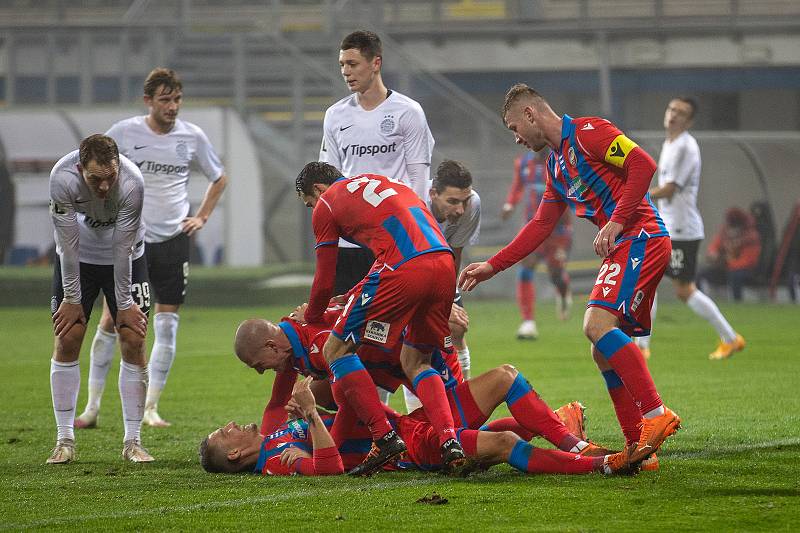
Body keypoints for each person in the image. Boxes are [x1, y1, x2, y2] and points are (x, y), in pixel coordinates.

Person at [459, 84, 681, 467]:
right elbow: (540, 225)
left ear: (530, 115)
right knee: (602, 350)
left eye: (515, 127)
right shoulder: (556, 166)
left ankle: (655, 415)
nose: (516, 138)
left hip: (640, 238)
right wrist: (492, 265)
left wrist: (615, 221)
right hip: (625, 245)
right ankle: (639, 450)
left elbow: (643, 164)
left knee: (595, 324)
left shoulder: (589, 132)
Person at [76, 68, 228, 429]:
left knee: (168, 324)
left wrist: (202, 217)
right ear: (148, 101)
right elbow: (89, 167)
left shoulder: (192, 136)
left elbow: (219, 177)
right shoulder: (124, 132)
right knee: (114, 319)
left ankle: (150, 408)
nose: (172, 107)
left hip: (173, 241)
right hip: (131, 240)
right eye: (165, 100)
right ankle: (92, 408)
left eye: (177, 99)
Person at [233, 311, 604, 459]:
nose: (259, 372)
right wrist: (269, 444)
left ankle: (574, 445)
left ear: (269, 346)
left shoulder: (317, 340)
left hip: (422, 361)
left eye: (256, 365)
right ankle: (564, 432)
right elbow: (276, 407)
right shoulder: (294, 349)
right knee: (487, 434)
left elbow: (330, 460)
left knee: (483, 400)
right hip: (407, 410)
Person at [296, 161, 465, 475]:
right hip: (443, 264)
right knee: (416, 361)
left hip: (404, 269)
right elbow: (393, 243)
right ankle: (450, 440)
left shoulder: (328, 202)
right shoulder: (384, 181)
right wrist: (354, 294)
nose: (313, 210)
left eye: (310, 203)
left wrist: (313, 317)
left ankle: (384, 437)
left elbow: (324, 277)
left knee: (337, 350)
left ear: (318, 189)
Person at [199, 377, 639, 476]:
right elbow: (330, 469)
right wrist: (314, 414)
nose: (232, 425)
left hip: (409, 422)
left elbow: (282, 380)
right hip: (412, 448)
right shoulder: (275, 463)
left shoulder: (275, 430)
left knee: (505, 376)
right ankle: (599, 465)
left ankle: (571, 440)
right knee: (503, 439)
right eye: (225, 432)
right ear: (234, 454)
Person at [46, 134, 153, 464]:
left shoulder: (133, 183)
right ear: (80, 169)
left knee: (134, 338)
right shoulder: (61, 179)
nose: (105, 187)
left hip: (128, 258)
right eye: (95, 179)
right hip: (79, 259)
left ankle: (133, 442)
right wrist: (72, 298)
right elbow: (67, 245)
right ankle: (64, 440)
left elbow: (123, 249)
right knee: (69, 336)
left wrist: (123, 305)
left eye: (111, 178)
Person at [319, 30, 435, 295]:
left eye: (353, 64)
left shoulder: (408, 112)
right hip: (349, 242)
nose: (346, 71)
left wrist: (416, 234)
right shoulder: (335, 115)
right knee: (343, 327)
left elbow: (418, 178)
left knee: (390, 328)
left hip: (393, 238)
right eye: (342, 65)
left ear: (376, 63)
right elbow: (329, 181)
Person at [641, 97, 745, 361]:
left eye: (681, 112)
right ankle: (641, 347)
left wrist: (638, 196)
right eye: (671, 109)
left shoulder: (686, 147)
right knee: (650, 282)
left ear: (689, 121)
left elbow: (669, 189)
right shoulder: (670, 143)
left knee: (680, 289)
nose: (674, 114)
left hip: (681, 230)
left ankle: (731, 338)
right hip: (669, 227)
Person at [403, 159, 480, 412]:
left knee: (456, 327)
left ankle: (464, 401)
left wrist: (445, 301)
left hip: (439, 270)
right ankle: (416, 414)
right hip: (404, 275)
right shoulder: (411, 205)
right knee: (411, 340)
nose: (460, 209)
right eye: (453, 202)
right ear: (433, 194)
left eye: (464, 200)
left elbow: (453, 254)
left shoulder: (472, 205)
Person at [502, 149, 573, 339]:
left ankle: (563, 291)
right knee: (526, 267)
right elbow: (518, 187)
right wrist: (510, 204)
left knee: (555, 274)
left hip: (558, 232)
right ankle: (528, 322)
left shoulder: (562, 161)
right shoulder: (524, 163)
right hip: (533, 228)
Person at [699, 207, 762, 304]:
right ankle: (700, 303)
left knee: (735, 275)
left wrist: (728, 261)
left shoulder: (751, 237)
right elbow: (714, 246)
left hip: (745, 270)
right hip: (727, 267)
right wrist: (713, 254)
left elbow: (748, 261)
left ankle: (737, 304)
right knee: (700, 274)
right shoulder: (725, 232)